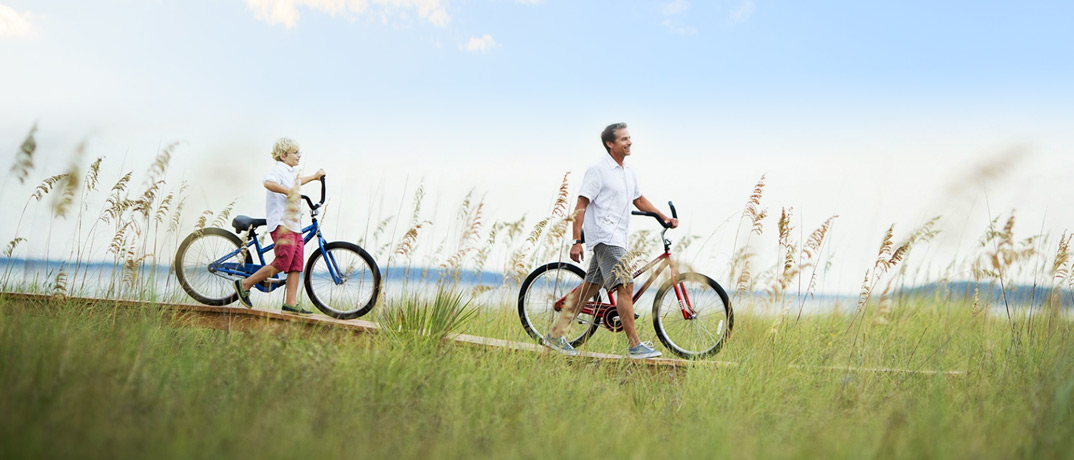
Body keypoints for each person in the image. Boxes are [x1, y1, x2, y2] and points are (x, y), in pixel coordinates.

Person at [543, 122, 677, 359]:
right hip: (605, 237)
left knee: (589, 288)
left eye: (629, 138)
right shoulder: (597, 170)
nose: (629, 142)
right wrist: (577, 240)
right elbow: (580, 206)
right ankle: (635, 345)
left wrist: (662, 216)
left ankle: (554, 335)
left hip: (618, 237)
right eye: (624, 139)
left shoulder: (628, 171)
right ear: (610, 144)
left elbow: (639, 199)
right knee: (625, 286)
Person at [233, 137, 326, 314]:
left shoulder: (291, 172)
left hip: (294, 226)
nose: (299, 156)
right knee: (282, 262)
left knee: (296, 265)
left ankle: (290, 303)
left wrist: (314, 177)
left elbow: (298, 182)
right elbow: (268, 182)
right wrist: (287, 191)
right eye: (295, 153)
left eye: (300, 152)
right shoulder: (277, 171)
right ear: (283, 155)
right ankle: (244, 284)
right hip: (282, 224)